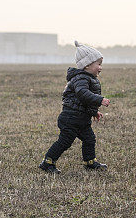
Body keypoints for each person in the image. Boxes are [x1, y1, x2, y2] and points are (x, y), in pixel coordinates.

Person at [39, 41, 110, 174]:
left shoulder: (88, 78)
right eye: (98, 64)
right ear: (87, 65)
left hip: (82, 120)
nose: (100, 67)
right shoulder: (80, 78)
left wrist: (94, 112)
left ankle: (90, 162)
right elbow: (83, 94)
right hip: (70, 118)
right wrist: (100, 100)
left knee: (89, 139)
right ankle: (48, 162)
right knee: (65, 141)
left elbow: (84, 102)